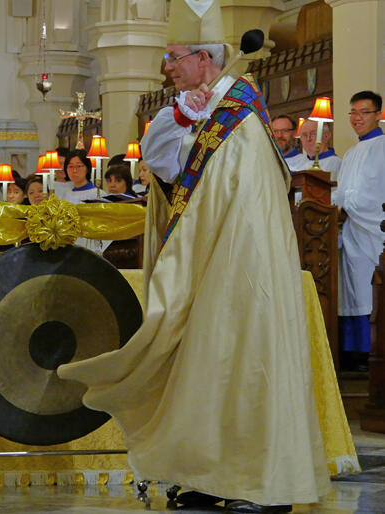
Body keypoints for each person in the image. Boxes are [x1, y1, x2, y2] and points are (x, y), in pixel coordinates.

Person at [59, 1, 330, 512]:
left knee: (246, 360)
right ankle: (208, 473)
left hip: (244, 268)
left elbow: (243, 198)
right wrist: (184, 113)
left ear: (205, 59)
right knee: (203, 363)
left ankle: (257, 481)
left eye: (174, 56)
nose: (168, 65)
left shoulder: (241, 116)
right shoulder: (195, 109)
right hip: (208, 264)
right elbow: (159, 161)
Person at [333, 90, 385, 371]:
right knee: (350, 290)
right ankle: (352, 352)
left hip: (375, 231)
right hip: (351, 231)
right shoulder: (351, 153)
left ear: (378, 115)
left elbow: (372, 193)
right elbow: (343, 193)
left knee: (369, 290)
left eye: (363, 112)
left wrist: (352, 205)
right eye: (353, 112)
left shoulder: (383, 147)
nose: (357, 118)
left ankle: (371, 350)